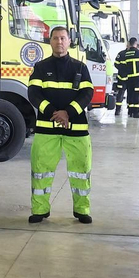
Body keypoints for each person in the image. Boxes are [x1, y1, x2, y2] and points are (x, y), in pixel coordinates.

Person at [28, 25, 95, 224]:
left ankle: (82, 209)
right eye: (55, 38)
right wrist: (53, 113)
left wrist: (68, 112)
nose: (59, 42)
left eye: (63, 38)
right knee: (41, 169)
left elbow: (87, 94)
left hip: (77, 130)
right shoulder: (40, 67)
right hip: (46, 129)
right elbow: (33, 94)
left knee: (81, 169)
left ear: (69, 41)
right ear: (50, 41)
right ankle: (40, 210)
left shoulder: (80, 67)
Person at [114, 36, 139, 118]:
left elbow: (117, 64)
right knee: (137, 94)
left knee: (128, 94)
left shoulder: (125, 54)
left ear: (129, 44)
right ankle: (135, 112)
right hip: (137, 78)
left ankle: (129, 111)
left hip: (127, 77)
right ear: (136, 44)